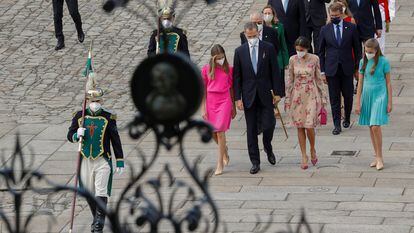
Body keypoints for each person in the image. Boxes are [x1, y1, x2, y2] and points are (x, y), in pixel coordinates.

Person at [67, 87, 124, 233]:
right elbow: (70, 134)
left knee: (101, 192)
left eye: (97, 100)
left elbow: (115, 140)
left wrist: (119, 160)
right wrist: (75, 134)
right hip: (85, 160)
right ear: (87, 101)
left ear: (102, 101)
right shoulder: (79, 116)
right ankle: (96, 220)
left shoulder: (108, 118)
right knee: (88, 191)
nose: (95, 103)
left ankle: (98, 227)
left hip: (102, 160)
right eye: (92, 101)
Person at [233, 22, 283, 174]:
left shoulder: (268, 48)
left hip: (265, 93)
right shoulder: (239, 51)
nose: (252, 39)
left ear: (258, 34)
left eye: (254, 36)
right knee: (251, 130)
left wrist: (278, 92)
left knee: (269, 125)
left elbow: (275, 71)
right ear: (245, 35)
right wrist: (237, 98)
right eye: (249, 37)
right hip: (249, 95)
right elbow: (237, 77)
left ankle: (268, 147)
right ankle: (255, 161)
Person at [319, 3, 361, 135]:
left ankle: (347, 117)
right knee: (334, 98)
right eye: (332, 16)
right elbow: (320, 51)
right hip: (331, 68)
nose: (334, 18)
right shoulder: (325, 29)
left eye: (336, 16)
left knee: (348, 96)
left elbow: (358, 49)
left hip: (347, 67)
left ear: (342, 13)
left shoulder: (352, 28)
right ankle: (337, 124)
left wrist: (357, 68)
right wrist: (322, 71)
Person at [285, 37, 327, 169]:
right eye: (297, 50)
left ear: (307, 48)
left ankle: (312, 149)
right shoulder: (292, 59)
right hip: (297, 95)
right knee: (300, 126)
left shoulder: (314, 59)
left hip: (311, 94)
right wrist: (287, 98)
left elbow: (318, 79)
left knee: (309, 125)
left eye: (301, 50)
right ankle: (303, 155)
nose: (299, 52)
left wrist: (323, 97)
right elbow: (289, 80)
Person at [355, 38, 392, 171]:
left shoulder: (384, 62)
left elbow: (388, 82)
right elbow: (360, 83)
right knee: (371, 126)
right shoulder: (362, 62)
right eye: (366, 51)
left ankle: (380, 157)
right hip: (367, 95)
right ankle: (376, 156)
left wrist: (389, 101)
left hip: (380, 95)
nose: (368, 53)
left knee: (376, 126)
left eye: (370, 51)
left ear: (376, 51)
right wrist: (358, 102)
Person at [201, 45, 236, 176]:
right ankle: (224, 149)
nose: (221, 60)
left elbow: (232, 89)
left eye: (222, 57)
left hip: (224, 101)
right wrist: (203, 108)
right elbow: (203, 90)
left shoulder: (229, 69)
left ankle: (220, 163)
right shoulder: (206, 70)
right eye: (218, 58)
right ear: (213, 58)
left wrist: (233, 105)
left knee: (220, 132)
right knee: (212, 133)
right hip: (211, 101)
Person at [263, 5, 290, 91]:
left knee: (279, 87)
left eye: (269, 13)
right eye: (265, 13)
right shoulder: (259, 27)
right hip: (265, 59)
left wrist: (286, 61)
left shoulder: (279, 26)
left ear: (273, 15)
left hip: (278, 58)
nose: (267, 15)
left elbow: (283, 44)